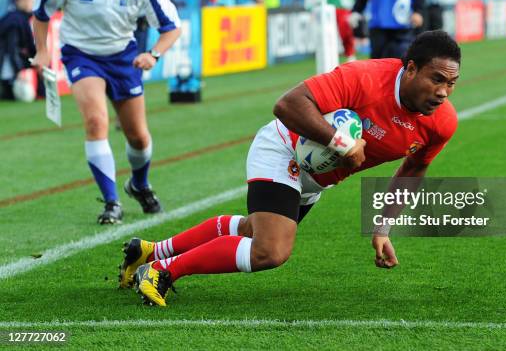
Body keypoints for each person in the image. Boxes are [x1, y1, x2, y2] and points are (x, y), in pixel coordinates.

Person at [119, 30, 461, 306]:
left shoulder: (441, 124)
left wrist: (383, 226)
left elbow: (412, 172)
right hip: (282, 149)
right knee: (270, 250)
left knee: (253, 230)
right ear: (412, 68)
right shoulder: (365, 77)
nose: (443, 92)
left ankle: (151, 251)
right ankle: (162, 271)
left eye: (451, 84)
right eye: (437, 79)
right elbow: (287, 104)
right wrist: (342, 144)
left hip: (318, 179)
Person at [31, 0, 181, 224]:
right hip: (81, 55)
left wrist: (153, 54)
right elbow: (41, 12)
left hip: (123, 57)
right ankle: (112, 202)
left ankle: (139, 184)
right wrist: (43, 51)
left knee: (138, 137)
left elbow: (171, 26)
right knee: (96, 120)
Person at [0, 0, 36, 100]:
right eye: (25, 0)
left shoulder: (21, 18)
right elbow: (12, 48)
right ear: (18, 1)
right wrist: (18, 71)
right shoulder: (14, 21)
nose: (28, 3)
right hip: (6, 61)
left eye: (30, 0)